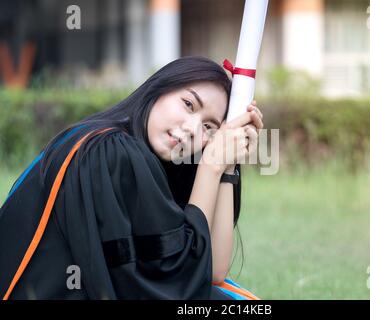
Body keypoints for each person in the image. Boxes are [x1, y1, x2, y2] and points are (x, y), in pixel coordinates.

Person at [0, 56, 264, 300]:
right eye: (188, 104)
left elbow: (213, 271)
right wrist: (211, 166)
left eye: (209, 127)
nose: (192, 129)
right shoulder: (112, 152)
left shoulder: (129, 151)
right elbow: (182, 280)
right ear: (159, 89)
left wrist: (227, 166)